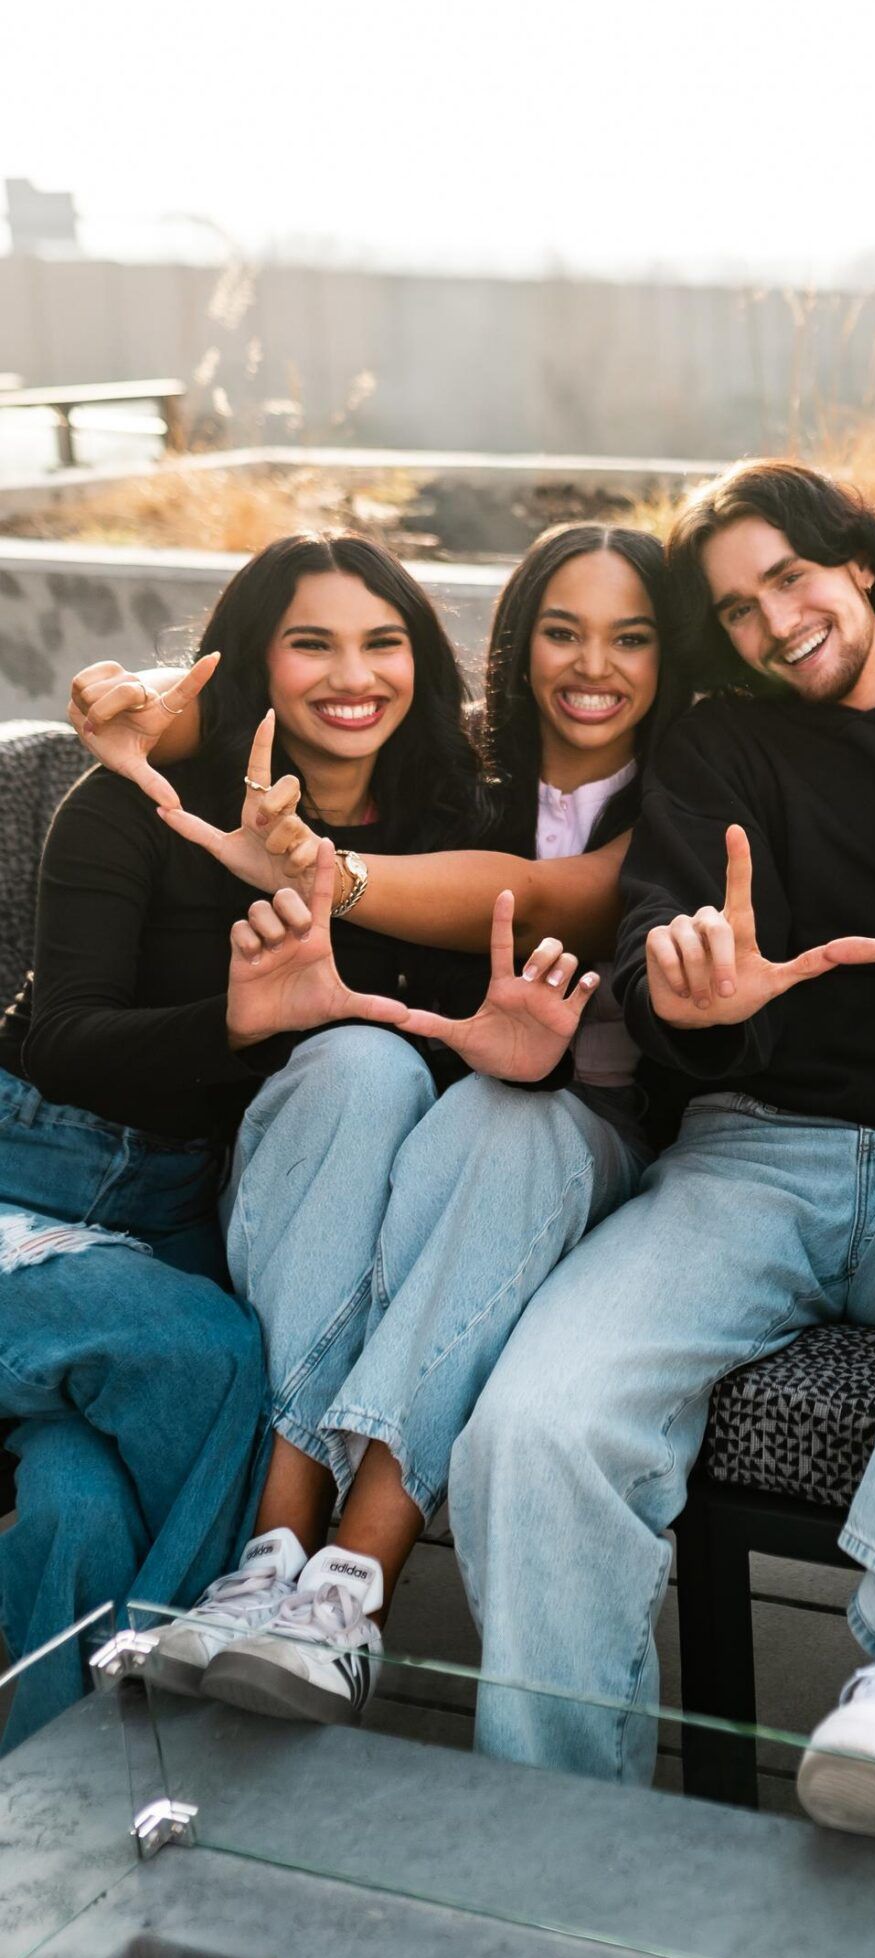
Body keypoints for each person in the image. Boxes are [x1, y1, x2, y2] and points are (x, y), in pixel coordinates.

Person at [450, 459, 875, 1844]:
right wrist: (689, 996)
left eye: (790, 581)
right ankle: (556, 1855)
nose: (772, 624)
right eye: (736, 611)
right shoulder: (717, 744)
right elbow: (655, 945)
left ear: (861, 565)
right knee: (533, 1427)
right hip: (748, 1164)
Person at [83, 527, 682, 1723]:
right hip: (442, 1109)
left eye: (631, 636)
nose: (592, 665)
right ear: (514, 647)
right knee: (373, 1069)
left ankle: (352, 1583)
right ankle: (274, 1566)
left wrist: (320, 870)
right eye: (561, 630)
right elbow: (230, 711)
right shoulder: (458, 775)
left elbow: (568, 897)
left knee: (511, 1124)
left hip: (599, 1131)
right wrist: (145, 698)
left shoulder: (693, 777)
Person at [0, 529, 490, 1747]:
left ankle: (61, 1816)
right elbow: (58, 1033)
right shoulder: (135, 803)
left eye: (383, 642)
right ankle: (185, 1689)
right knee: (214, 1360)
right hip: (30, 1163)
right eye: (310, 642)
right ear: (254, 662)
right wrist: (230, 1021)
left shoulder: (433, 835)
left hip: (180, 1215)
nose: (352, 673)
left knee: (73, 1504)